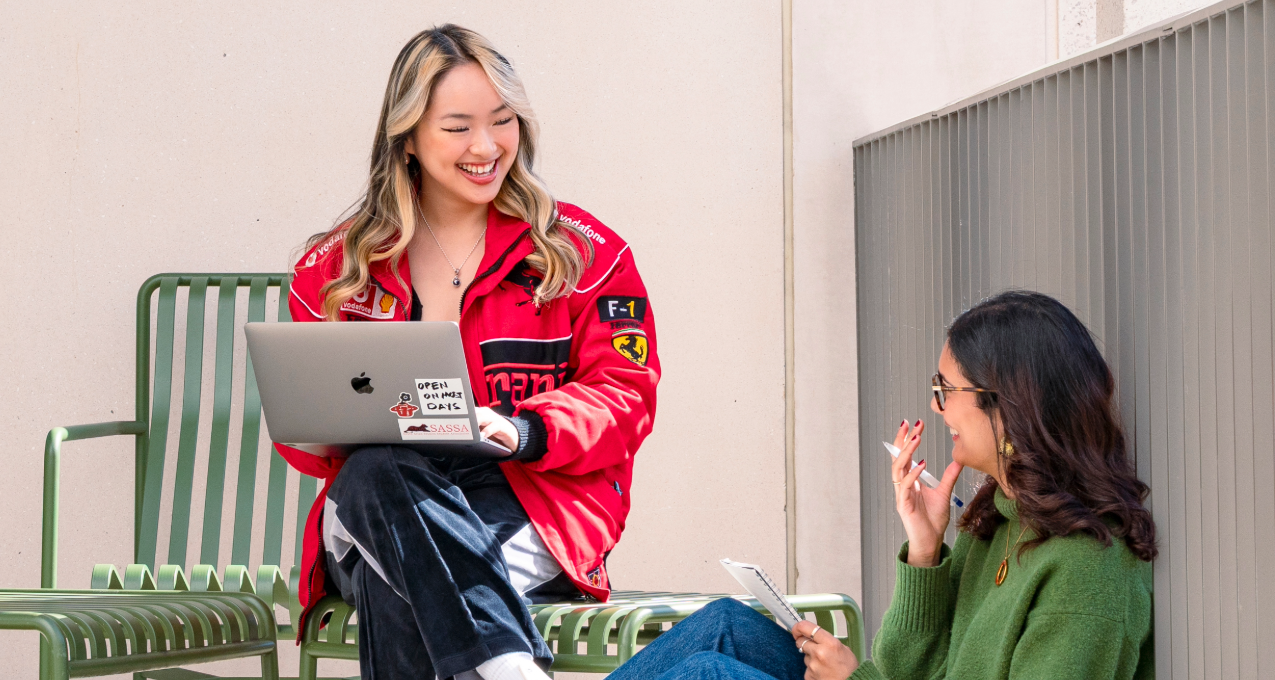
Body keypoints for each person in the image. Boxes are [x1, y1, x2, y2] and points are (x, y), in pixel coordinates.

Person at [273, 24, 661, 680]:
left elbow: (625, 393)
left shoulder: (584, 255)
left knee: (400, 577)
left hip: (530, 498)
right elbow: (308, 444)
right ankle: (512, 666)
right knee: (375, 477)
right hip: (377, 496)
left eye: (502, 121)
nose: (486, 146)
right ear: (408, 139)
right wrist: (322, 419)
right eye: (458, 127)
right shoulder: (337, 268)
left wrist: (525, 427)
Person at [606, 291, 1154, 680]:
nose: (936, 407)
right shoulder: (1003, 520)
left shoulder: (1086, 574)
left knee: (710, 676)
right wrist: (924, 550)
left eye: (947, 389)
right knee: (724, 626)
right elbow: (900, 672)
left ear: (1008, 404)